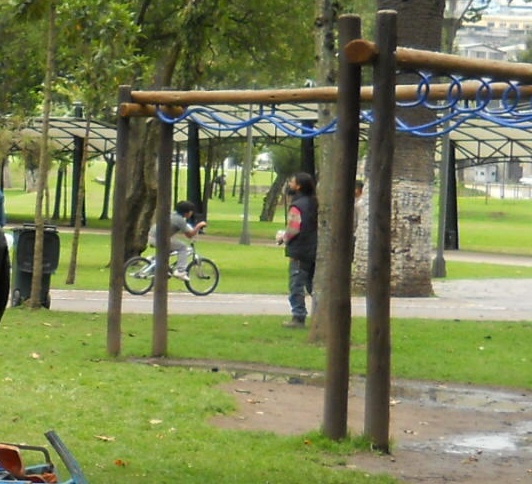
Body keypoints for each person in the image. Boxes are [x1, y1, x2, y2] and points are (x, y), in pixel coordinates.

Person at [277, 172, 318, 329]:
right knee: (313, 284)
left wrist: (283, 238)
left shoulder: (297, 205)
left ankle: (298, 316)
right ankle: (322, 314)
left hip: (300, 249)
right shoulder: (315, 203)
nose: (290, 184)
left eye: (292, 182)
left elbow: (294, 228)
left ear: (298, 186)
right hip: (314, 248)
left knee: (296, 284)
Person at [148, 201, 207, 281]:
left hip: (152, 236)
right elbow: (190, 235)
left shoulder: (173, 215)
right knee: (182, 247)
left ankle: (154, 260)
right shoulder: (179, 220)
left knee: (170, 248)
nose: (192, 213)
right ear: (187, 212)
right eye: (191, 211)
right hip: (158, 238)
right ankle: (180, 271)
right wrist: (199, 226)